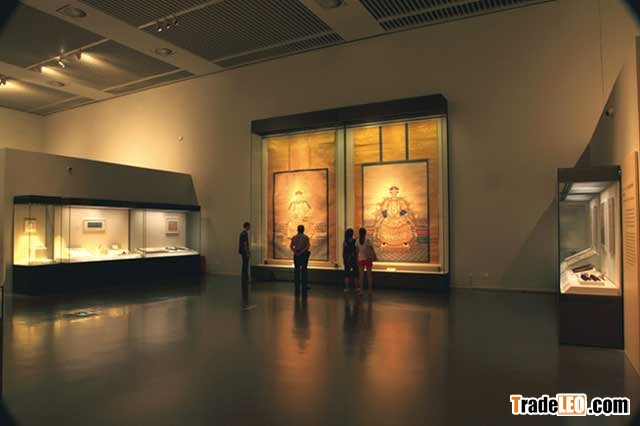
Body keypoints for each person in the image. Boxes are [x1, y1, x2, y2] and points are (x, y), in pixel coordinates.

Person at [290, 224, 311, 297]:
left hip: (296, 254)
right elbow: (307, 246)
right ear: (303, 230)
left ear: (297, 230)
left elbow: (291, 246)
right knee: (304, 270)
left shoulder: (294, 237)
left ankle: (297, 285)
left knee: (297, 270)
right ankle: (304, 285)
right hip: (303, 254)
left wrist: (296, 252)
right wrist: (302, 252)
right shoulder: (306, 237)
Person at [356, 227, 375, 296]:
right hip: (368, 259)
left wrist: (356, 259)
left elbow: (357, 251)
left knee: (361, 276)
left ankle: (361, 290)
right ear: (365, 233)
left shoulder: (357, 241)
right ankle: (370, 290)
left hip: (360, 259)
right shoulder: (368, 240)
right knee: (369, 275)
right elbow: (371, 249)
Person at [343, 228, 358, 292]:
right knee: (355, 274)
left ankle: (347, 288)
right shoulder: (355, 241)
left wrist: (344, 259)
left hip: (347, 259)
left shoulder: (345, 242)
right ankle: (356, 288)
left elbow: (343, 251)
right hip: (354, 258)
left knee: (347, 274)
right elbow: (356, 250)